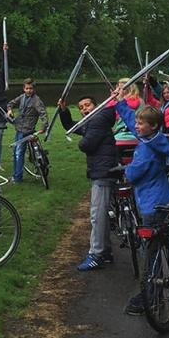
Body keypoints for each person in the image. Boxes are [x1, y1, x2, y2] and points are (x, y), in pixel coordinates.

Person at [113, 89, 169, 316]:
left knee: (150, 250)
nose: (136, 127)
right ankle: (165, 279)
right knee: (161, 245)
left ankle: (150, 296)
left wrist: (125, 170)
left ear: (153, 127)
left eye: (141, 124)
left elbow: (134, 174)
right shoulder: (154, 139)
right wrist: (121, 104)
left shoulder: (146, 149)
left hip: (152, 205)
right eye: (137, 123)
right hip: (162, 199)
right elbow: (131, 121)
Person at [58, 95, 117, 271]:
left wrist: (83, 140)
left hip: (103, 171)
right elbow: (72, 126)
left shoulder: (97, 120)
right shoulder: (94, 120)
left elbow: (86, 145)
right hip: (101, 169)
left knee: (97, 214)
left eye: (87, 105)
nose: (84, 109)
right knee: (101, 212)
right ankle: (105, 251)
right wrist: (63, 111)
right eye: (81, 107)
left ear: (95, 105)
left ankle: (96, 254)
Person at [7, 78, 49, 183]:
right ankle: (16, 174)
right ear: (24, 88)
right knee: (16, 152)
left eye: (30, 88)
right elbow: (10, 103)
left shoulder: (37, 100)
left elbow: (43, 114)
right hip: (19, 128)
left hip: (28, 129)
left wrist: (44, 126)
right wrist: (9, 110)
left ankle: (17, 178)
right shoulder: (22, 97)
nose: (29, 90)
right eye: (27, 88)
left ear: (34, 89)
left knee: (18, 153)